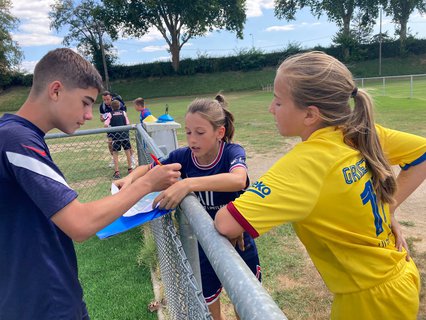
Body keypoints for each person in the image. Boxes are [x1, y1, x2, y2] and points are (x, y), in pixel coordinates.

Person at [214, 51, 425, 319]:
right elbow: (422, 153)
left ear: (310, 114)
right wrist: (388, 208)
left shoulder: (306, 164)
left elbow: (226, 223)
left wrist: (389, 207)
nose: (270, 108)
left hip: (371, 302)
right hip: (396, 280)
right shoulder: (359, 131)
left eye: (278, 102)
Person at [0, 48, 181, 320]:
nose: (87, 115)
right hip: (43, 305)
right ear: (56, 90)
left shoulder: (17, 136)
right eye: (85, 102)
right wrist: (146, 184)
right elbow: (80, 224)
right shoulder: (17, 142)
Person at [115, 94, 261, 320]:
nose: (192, 139)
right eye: (188, 132)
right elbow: (152, 167)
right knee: (209, 302)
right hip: (204, 243)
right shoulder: (184, 156)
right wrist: (130, 179)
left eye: (200, 133)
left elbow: (238, 180)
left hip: (239, 241)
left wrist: (188, 184)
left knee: (246, 301)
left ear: (219, 133)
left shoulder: (232, 152)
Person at [99, 91, 136, 168]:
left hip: (121, 127)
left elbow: (124, 115)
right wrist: (103, 118)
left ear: (111, 98)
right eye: (104, 100)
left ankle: (132, 158)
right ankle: (114, 159)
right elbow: (102, 119)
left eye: (107, 99)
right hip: (111, 128)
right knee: (110, 144)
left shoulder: (117, 103)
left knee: (126, 143)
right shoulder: (102, 106)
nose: (106, 101)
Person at [104, 99, 133, 179]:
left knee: (115, 153)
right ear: (119, 106)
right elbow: (127, 123)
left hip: (116, 136)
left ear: (111, 107)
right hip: (124, 135)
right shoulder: (123, 113)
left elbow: (106, 125)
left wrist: (109, 133)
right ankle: (130, 168)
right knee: (127, 151)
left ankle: (117, 172)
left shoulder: (110, 114)